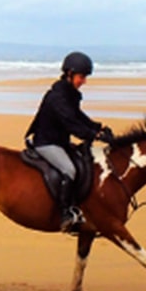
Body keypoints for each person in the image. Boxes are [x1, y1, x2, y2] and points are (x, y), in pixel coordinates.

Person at [25, 51, 113, 232]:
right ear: (69, 73)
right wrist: (93, 135)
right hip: (46, 143)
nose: (84, 81)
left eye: (85, 77)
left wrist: (97, 127)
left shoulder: (70, 94)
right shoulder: (57, 97)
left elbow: (78, 116)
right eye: (82, 77)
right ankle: (66, 212)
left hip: (60, 142)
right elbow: (70, 123)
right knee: (69, 170)